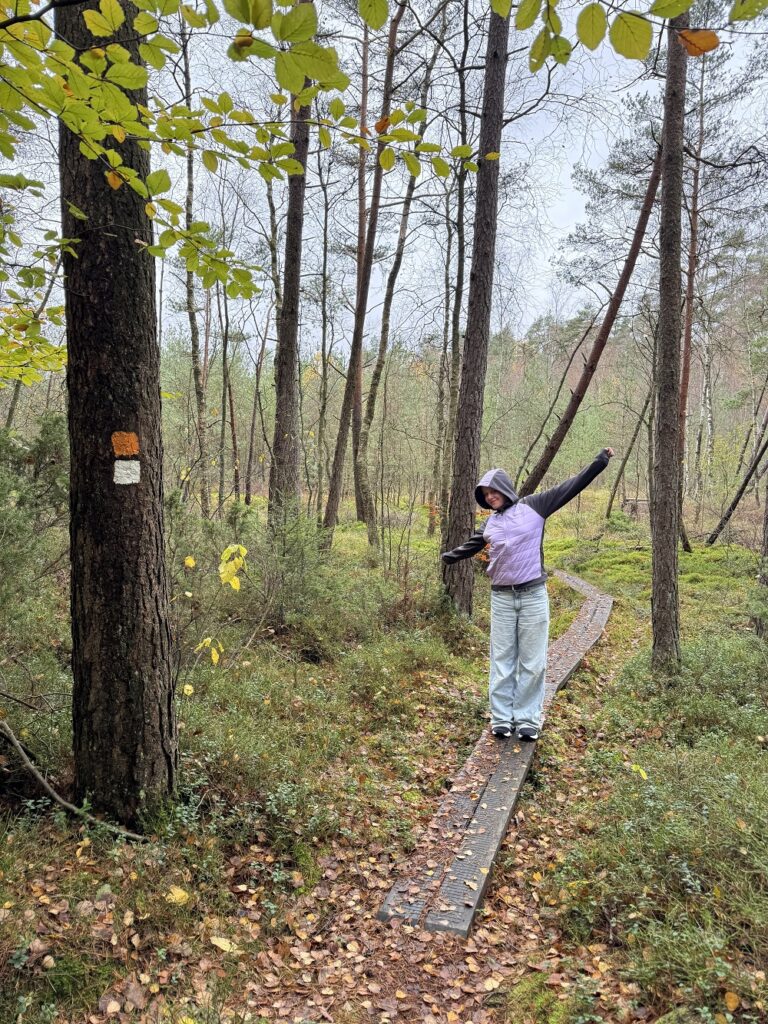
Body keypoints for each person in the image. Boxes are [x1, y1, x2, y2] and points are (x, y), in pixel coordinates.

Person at [441, 448, 614, 742]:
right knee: (502, 659)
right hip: (502, 599)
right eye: (485, 494)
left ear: (505, 489)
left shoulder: (536, 506)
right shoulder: (490, 524)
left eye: (493, 491)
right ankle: (501, 719)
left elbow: (570, 486)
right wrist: (449, 557)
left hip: (533, 594)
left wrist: (599, 462)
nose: (490, 497)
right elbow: (471, 545)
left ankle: (528, 719)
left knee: (532, 661)